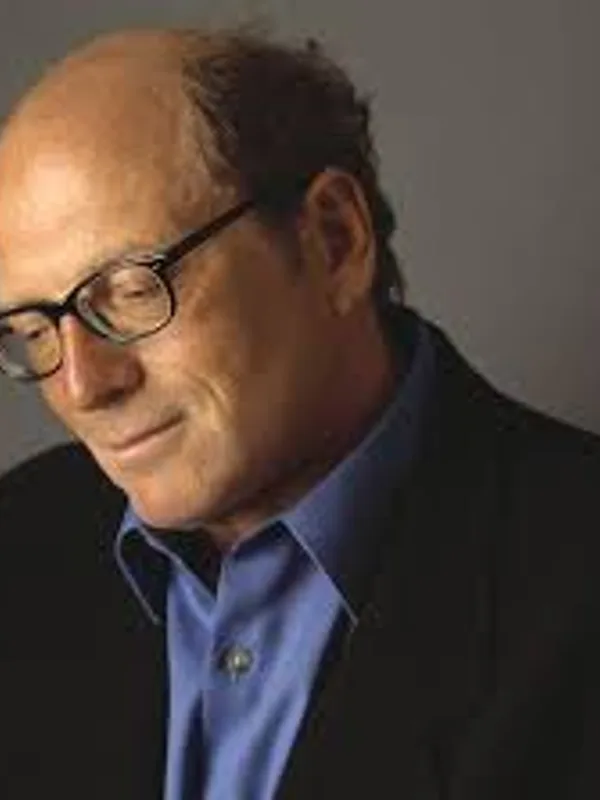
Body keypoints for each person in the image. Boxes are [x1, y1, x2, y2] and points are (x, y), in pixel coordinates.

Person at [0, 26, 598, 800]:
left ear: (333, 241)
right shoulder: (18, 547)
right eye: (35, 329)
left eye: (132, 290)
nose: (84, 385)